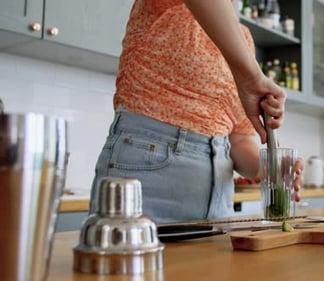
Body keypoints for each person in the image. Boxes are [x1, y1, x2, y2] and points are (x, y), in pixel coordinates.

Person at [89, 0, 303, 222]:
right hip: (145, 180)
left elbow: (238, 140)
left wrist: (271, 168)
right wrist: (253, 76)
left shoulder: (243, 40)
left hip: (217, 200)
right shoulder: (166, 6)